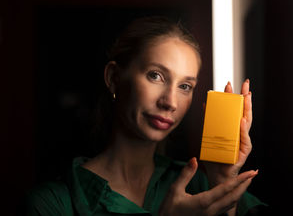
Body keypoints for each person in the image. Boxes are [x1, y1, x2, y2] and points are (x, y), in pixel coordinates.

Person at [23, 16, 267, 215]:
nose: (170, 102)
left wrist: (222, 181)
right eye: (155, 76)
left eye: (185, 86)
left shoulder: (199, 185)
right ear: (114, 78)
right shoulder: (52, 204)